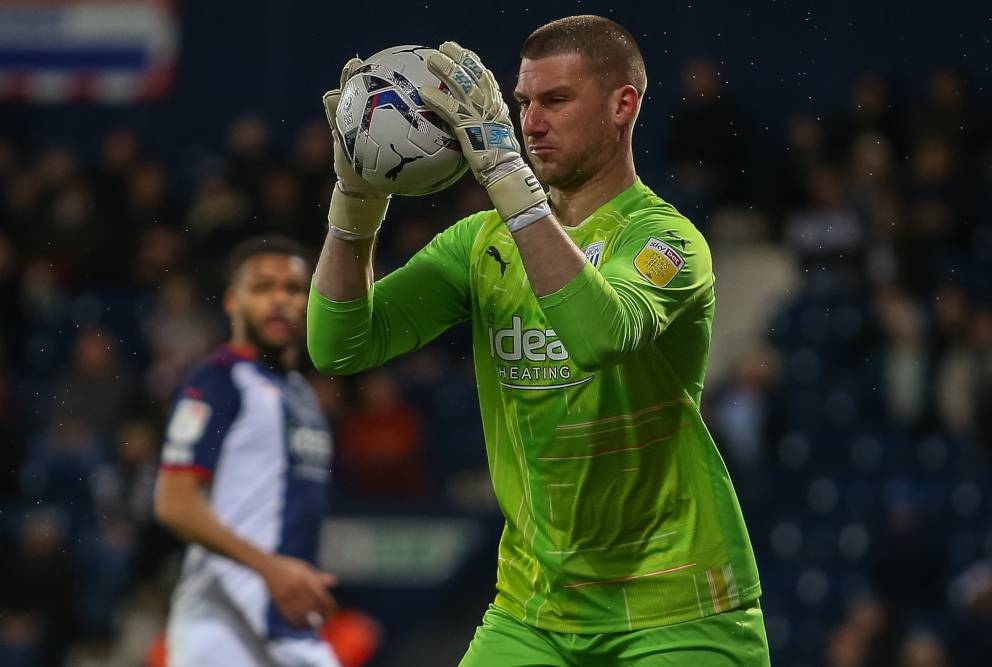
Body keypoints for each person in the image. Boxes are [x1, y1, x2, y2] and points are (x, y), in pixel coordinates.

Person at [309, 14, 768, 665]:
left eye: (555, 100)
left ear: (622, 105)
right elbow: (340, 345)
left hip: (680, 609)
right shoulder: (480, 244)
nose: (530, 123)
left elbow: (597, 334)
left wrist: (506, 177)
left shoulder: (666, 241)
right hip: (536, 610)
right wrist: (354, 201)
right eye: (522, 102)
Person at [155, 235, 341, 666]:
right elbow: (173, 503)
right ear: (232, 302)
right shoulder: (216, 382)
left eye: (293, 289)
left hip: (287, 626)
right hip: (223, 627)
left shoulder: (303, 396)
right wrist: (271, 568)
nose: (279, 300)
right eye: (262, 287)